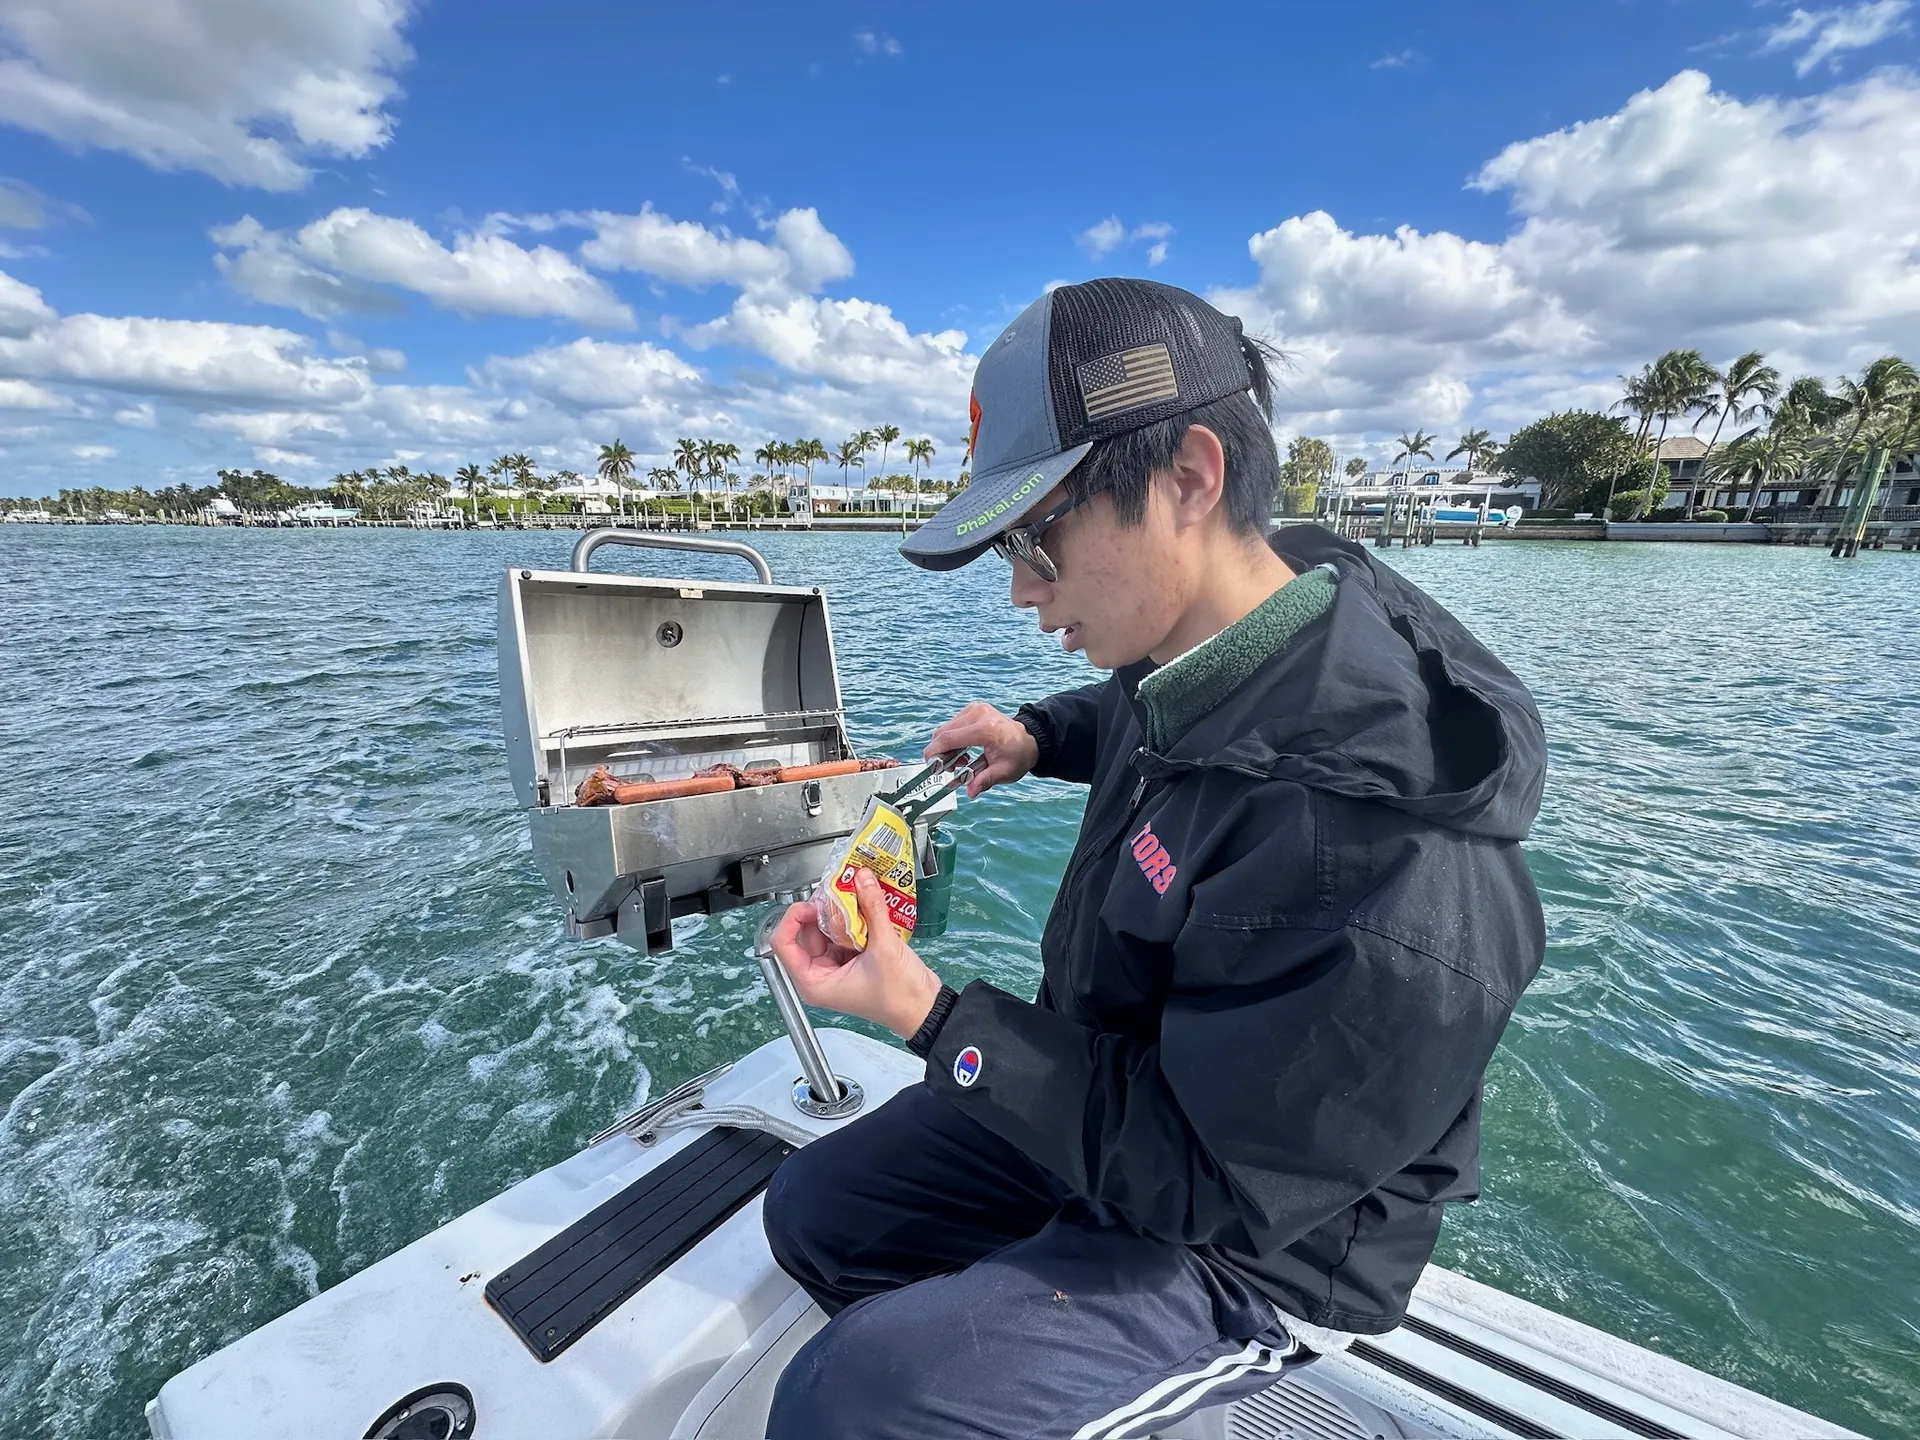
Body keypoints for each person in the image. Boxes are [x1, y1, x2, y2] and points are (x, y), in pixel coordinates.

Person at [761, 277, 1548, 1439]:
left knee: (849, 1399)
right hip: (1120, 1099)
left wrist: (929, 1015)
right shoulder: (1225, 625)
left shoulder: (1383, 868)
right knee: (818, 1212)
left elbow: (1210, 1182)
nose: (1025, 591)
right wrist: (1041, 734)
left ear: (1189, 475)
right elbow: (1149, 711)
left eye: (1038, 537)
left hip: (1256, 1237)